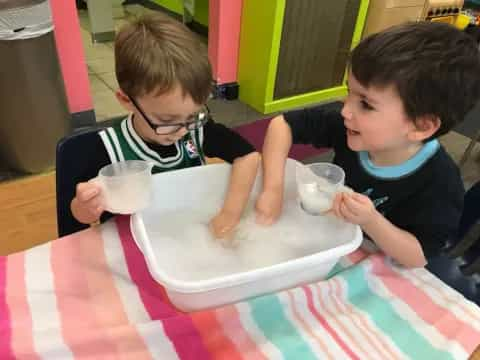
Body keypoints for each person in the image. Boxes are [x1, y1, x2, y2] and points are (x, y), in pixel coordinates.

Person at [255, 22, 480, 268]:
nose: (345, 110)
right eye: (349, 92)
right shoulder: (351, 127)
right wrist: (272, 190)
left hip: (382, 263)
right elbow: (281, 125)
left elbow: (418, 256)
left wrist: (371, 220)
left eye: (366, 104)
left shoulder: (440, 183)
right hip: (331, 240)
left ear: (420, 127)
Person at [69, 13, 260, 240]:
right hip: (136, 245)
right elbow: (77, 216)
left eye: (192, 115)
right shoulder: (106, 150)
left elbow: (248, 156)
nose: (182, 130)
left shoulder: (197, 130)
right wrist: (85, 208)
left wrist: (229, 214)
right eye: (167, 121)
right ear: (127, 100)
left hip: (190, 235)